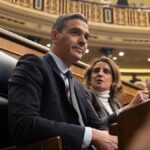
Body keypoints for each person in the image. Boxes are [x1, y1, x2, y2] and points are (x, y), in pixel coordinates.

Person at [8, 13, 117, 150]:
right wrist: (92, 135)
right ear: (55, 36)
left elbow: (98, 126)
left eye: (86, 37)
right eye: (75, 33)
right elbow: (23, 124)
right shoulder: (33, 65)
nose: (83, 41)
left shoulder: (78, 86)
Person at [84, 57, 149, 127]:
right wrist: (129, 107)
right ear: (90, 78)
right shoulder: (84, 96)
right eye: (96, 71)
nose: (100, 74)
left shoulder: (115, 102)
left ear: (114, 81)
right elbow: (97, 126)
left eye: (106, 71)